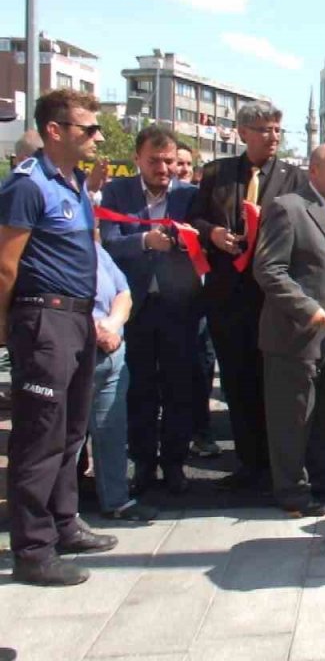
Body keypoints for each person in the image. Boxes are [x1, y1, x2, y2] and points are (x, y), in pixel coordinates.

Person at [0, 89, 117, 586]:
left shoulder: (72, 185)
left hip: (75, 319)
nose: (97, 136)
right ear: (55, 131)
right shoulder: (28, 185)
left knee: (70, 432)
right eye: (87, 128)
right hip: (42, 320)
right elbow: (6, 266)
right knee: (39, 436)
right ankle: (32, 548)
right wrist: (6, 332)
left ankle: (65, 523)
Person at [188, 100, 307, 491]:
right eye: (264, 130)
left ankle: (280, 466)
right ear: (242, 133)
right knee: (238, 384)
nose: (273, 137)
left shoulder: (293, 177)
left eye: (277, 129)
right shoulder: (217, 173)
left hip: (272, 297)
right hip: (228, 297)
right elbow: (194, 219)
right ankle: (248, 462)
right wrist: (213, 235)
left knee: (274, 385)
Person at [252, 144, 325, 516]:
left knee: (323, 417)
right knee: (292, 419)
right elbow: (269, 270)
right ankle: (292, 493)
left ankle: (320, 483)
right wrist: (307, 309)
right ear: (313, 171)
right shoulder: (288, 208)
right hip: (293, 337)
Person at [99, 126, 202, 496]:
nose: (164, 168)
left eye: (170, 161)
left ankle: (174, 464)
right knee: (139, 389)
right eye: (155, 160)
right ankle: (143, 464)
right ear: (138, 159)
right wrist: (144, 240)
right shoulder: (118, 192)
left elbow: (205, 236)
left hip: (180, 307)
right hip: (135, 307)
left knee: (179, 387)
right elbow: (108, 241)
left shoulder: (191, 196)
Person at [87, 231, 157, 522]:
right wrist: (97, 331)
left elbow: (123, 291)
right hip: (79, 352)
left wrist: (113, 325)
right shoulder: (47, 253)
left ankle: (116, 500)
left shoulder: (96, 251)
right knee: (67, 441)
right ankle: (56, 516)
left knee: (111, 432)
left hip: (112, 354)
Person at [173, 141, 219, 460]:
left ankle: (201, 431)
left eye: (187, 164)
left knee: (202, 365)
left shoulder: (199, 200)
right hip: (166, 298)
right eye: (177, 163)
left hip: (202, 297)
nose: (181, 169)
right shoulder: (169, 202)